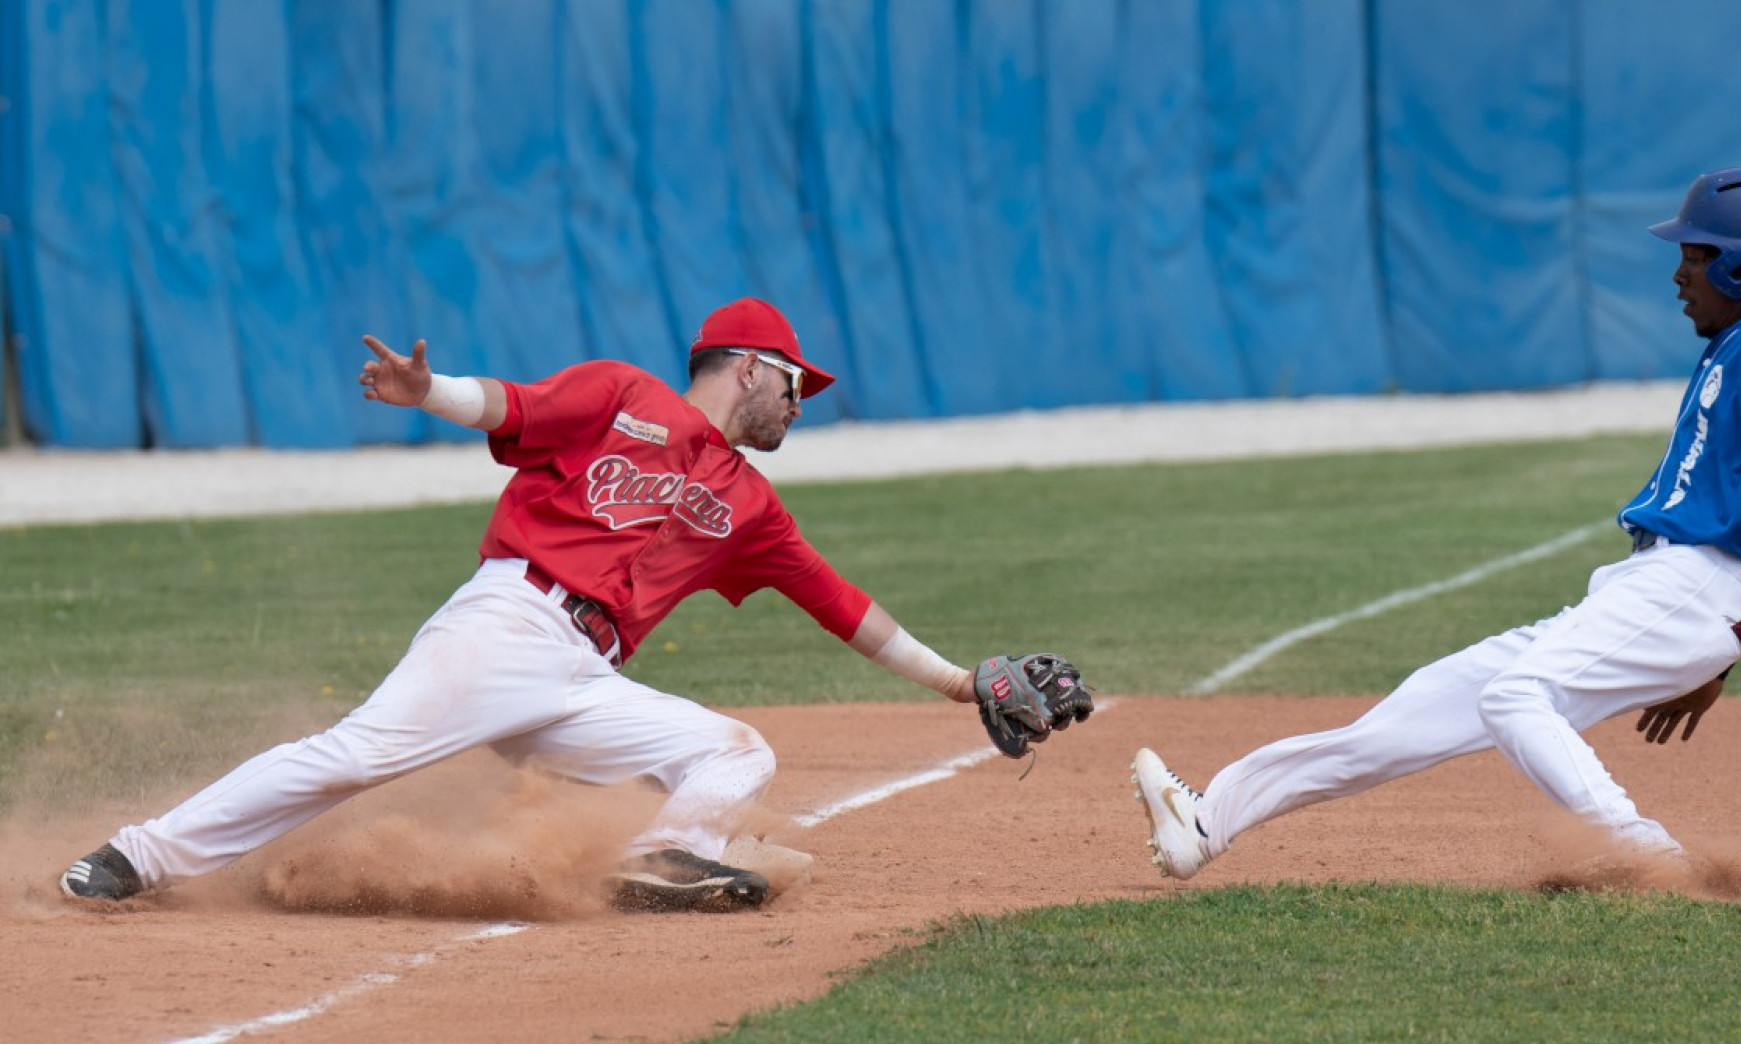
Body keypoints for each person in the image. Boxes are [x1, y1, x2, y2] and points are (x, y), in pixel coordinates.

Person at [60, 297, 1085, 912]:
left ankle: (657, 860)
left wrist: (960, 683)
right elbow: (511, 407)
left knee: (736, 751)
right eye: (792, 382)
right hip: (508, 622)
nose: (799, 402)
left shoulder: (750, 505)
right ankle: (133, 856)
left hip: (579, 677)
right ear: (746, 368)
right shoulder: (624, 394)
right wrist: (431, 394)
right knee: (355, 758)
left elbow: (845, 607)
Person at [1132, 167, 1741, 883]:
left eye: (1699, 252)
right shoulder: (1736, 347)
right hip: (1666, 589)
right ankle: (1208, 821)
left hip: (1694, 586)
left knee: (1514, 697)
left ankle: (1652, 862)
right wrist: (1721, 661)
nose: (1680, 271)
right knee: (1422, 708)